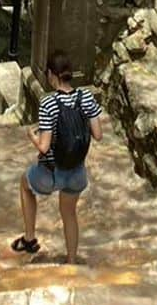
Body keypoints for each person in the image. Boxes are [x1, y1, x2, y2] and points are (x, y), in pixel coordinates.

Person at [13, 51, 103, 264]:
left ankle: (29, 238)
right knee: (69, 214)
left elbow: (44, 147)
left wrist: (32, 136)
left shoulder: (48, 103)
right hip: (77, 172)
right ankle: (71, 261)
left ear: (52, 75)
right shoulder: (86, 97)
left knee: (25, 185)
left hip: (52, 173)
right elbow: (98, 135)